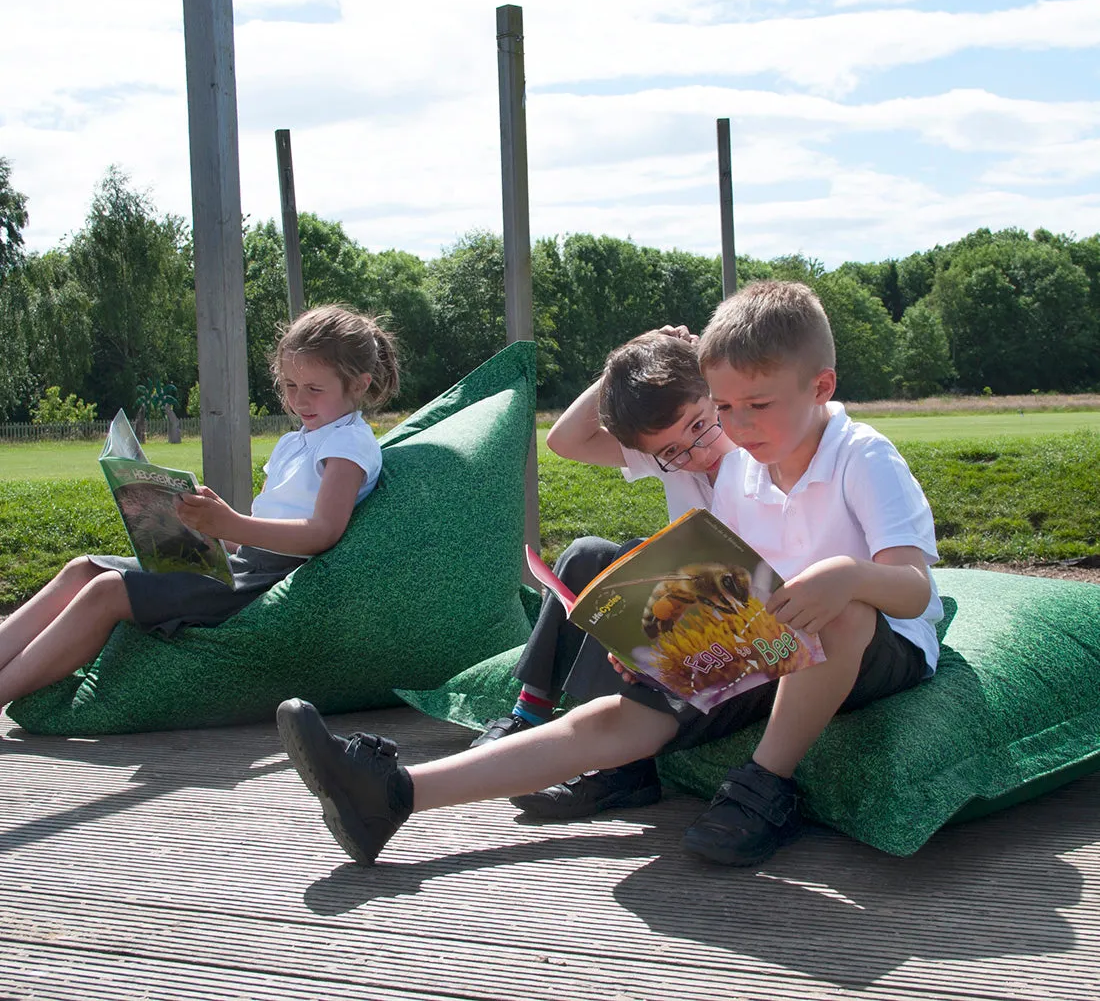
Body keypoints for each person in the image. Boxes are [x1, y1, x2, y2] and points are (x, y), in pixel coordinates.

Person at [276, 281, 943, 868]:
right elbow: (732, 584)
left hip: (873, 648)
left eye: (755, 406)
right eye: (726, 407)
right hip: (771, 643)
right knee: (619, 717)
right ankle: (395, 794)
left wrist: (845, 577)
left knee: (841, 609)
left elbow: (912, 589)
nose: (736, 426)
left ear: (819, 386)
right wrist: (660, 637)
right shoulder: (740, 463)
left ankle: (766, 785)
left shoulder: (863, 457)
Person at [0, 304, 400, 709]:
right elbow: (265, 522)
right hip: (242, 562)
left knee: (107, 590)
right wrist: (197, 527)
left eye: (314, 389)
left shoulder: (347, 445)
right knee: (82, 569)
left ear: (358, 384)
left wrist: (230, 524)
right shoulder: (296, 440)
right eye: (290, 385)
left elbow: (323, 532)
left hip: (264, 582)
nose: (299, 400)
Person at [471, 327, 736, 777]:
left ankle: (619, 766)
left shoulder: (756, 445)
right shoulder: (671, 450)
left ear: (717, 396)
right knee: (584, 554)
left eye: (699, 425)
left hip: (733, 616)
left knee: (637, 560)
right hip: (695, 602)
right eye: (671, 450)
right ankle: (529, 712)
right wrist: (624, 365)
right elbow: (564, 441)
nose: (697, 452)